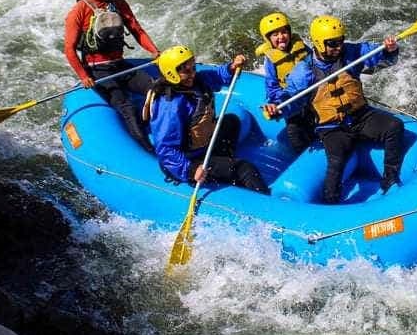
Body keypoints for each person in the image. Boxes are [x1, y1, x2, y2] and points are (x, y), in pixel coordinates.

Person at [264, 15, 403, 204]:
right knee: (336, 163)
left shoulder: (351, 52)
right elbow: (291, 97)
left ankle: (390, 179)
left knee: (395, 125)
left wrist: (389, 51)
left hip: (361, 116)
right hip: (332, 127)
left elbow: (380, 57)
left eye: (340, 41)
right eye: (332, 43)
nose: (338, 47)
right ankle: (329, 203)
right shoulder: (304, 71)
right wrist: (278, 108)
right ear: (319, 44)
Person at [63, 0, 159, 152]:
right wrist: (84, 77)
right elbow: (69, 50)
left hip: (120, 65)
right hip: (97, 71)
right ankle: (148, 151)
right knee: (127, 108)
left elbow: (137, 31)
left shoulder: (119, 5)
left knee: (157, 89)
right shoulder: (78, 12)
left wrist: (155, 51)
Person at [145, 45, 270, 194]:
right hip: (187, 161)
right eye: (186, 71)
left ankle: (223, 167)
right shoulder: (170, 106)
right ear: (172, 74)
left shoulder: (197, 81)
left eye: (193, 68)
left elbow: (216, 76)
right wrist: (191, 170)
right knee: (246, 169)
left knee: (231, 121)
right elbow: (166, 148)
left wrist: (232, 67)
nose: (192, 74)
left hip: (203, 147)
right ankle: (267, 204)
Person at [255, 12, 313, 154]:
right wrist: (275, 102)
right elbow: (272, 86)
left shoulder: (302, 48)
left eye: (284, 32)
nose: (281, 37)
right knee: (295, 133)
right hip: (290, 100)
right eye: (275, 35)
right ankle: (303, 155)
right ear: (268, 39)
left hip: (312, 96)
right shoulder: (270, 60)